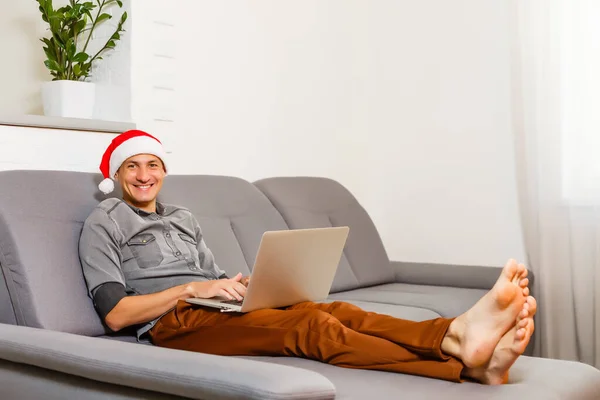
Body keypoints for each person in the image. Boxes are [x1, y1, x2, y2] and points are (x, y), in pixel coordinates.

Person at [79, 129, 537, 385]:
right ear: (116, 175)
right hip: (169, 326)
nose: (144, 175)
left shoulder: (182, 216)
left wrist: (242, 286)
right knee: (311, 328)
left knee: (331, 309)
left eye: (153, 164)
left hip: (211, 309)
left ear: (164, 171)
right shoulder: (106, 220)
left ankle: (456, 337)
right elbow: (117, 315)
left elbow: (212, 278)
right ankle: (456, 361)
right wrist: (191, 289)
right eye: (132, 166)